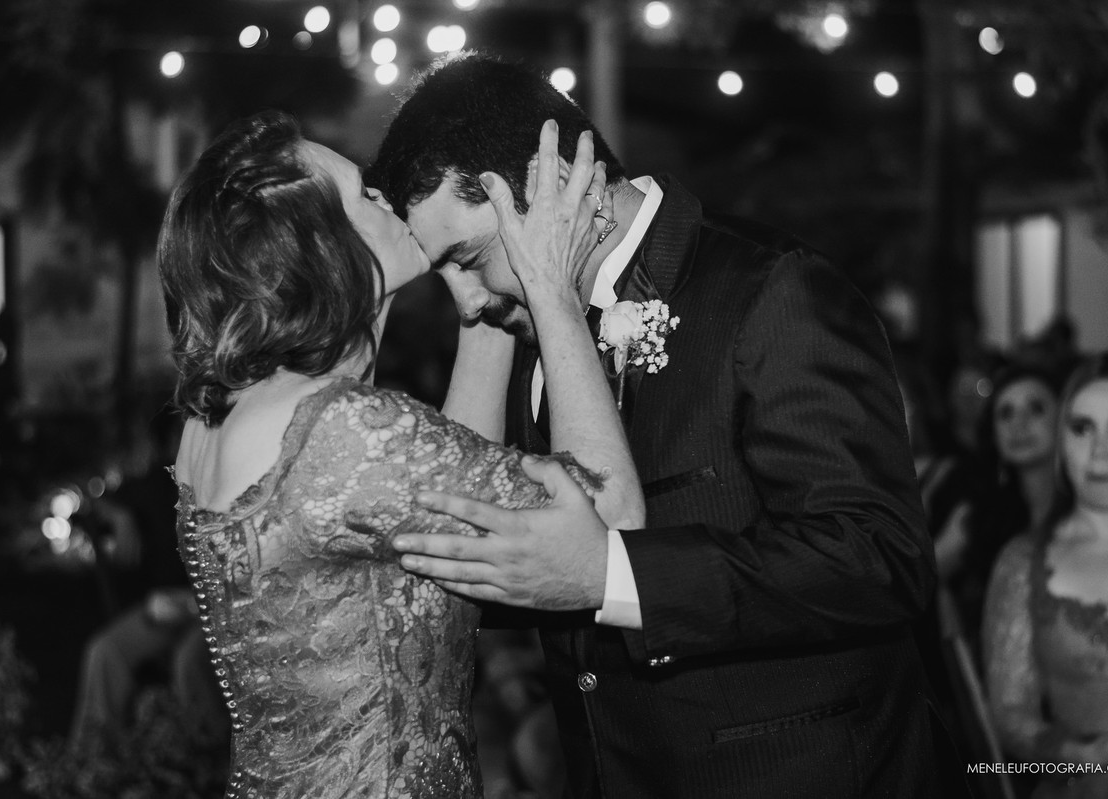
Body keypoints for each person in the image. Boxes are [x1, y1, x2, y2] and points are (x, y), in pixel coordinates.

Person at [368, 52, 949, 797]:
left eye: (470, 258)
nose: (467, 301)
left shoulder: (772, 289)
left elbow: (879, 556)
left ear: (550, 186)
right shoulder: (527, 326)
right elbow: (487, 557)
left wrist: (614, 576)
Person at [157, 109, 643, 797]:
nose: (386, 198)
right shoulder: (338, 429)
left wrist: (482, 305)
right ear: (321, 248)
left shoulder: (229, 414)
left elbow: (450, 496)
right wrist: (549, 288)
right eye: (364, 194)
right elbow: (607, 521)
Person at [984, 351, 1108, 797]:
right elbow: (1010, 717)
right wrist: (1082, 754)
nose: (1098, 452)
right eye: (1082, 428)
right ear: (1062, 441)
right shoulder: (1023, 563)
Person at [939, 361, 1063, 648]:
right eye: (1006, 413)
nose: (1019, 424)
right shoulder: (976, 517)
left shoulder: (1091, 511)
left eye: (1035, 409)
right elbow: (922, 582)